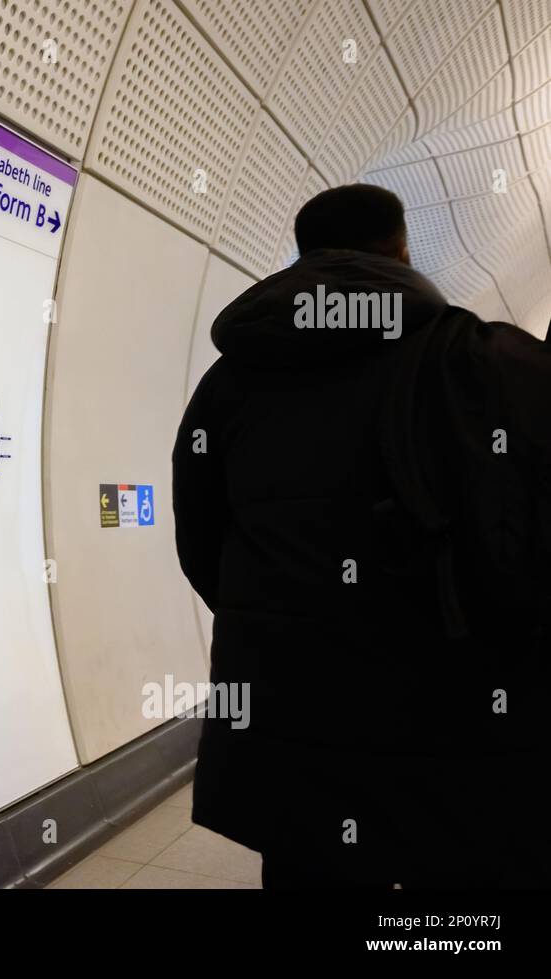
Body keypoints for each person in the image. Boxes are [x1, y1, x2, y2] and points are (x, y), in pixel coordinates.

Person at [172, 184, 551, 888]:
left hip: (287, 729)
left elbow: (202, 551)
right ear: (403, 248)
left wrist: (281, 617)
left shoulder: (226, 386)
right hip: (445, 720)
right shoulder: (477, 361)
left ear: (304, 253)